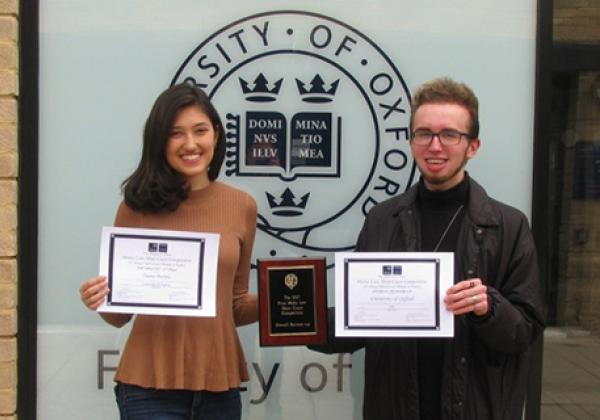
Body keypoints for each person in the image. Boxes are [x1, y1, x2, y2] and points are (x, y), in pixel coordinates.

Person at [310, 77, 545, 420]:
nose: (435, 146)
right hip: (394, 406)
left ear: (473, 146)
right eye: (424, 133)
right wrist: (299, 320)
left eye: (450, 134)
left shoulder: (508, 226)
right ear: (411, 142)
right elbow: (358, 318)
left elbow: (525, 331)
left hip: (476, 408)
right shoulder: (381, 219)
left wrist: (489, 307)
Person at [79, 83, 258, 420]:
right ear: (160, 142)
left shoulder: (242, 206)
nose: (190, 144)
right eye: (176, 133)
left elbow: (233, 306)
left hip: (219, 387)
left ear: (216, 135)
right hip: (148, 387)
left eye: (200, 131)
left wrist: (288, 300)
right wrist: (98, 297)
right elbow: (119, 316)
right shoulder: (136, 207)